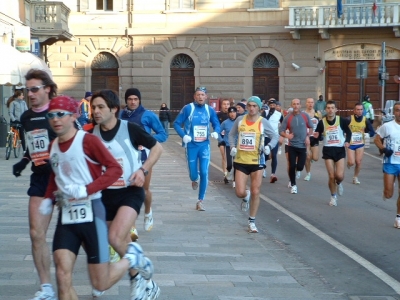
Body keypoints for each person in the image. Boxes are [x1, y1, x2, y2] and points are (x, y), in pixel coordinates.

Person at [37, 95, 154, 300]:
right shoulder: (53, 145)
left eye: (61, 114)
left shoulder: (88, 140)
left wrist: (87, 189)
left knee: (101, 282)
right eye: (51, 115)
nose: (55, 119)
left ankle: (132, 258)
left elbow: (115, 169)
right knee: (62, 276)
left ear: (73, 116)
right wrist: (48, 199)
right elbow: (56, 176)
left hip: (92, 212)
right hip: (67, 217)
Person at [91, 89, 162, 299]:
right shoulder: (90, 134)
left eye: (100, 107)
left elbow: (157, 148)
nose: (96, 111)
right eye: (93, 107)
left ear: (114, 109)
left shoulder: (130, 128)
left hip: (130, 191)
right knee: (116, 241)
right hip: (104, 196)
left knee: (115, 237)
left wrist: (143, 170)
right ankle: (142, 279)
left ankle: (137, 278)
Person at [12, 69, 58, 300]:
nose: (30, 94)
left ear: (47, 88)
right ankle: (46, 287)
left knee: (80, 233)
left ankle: (100, 271)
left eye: (34, 89)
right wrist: (23, 161)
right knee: (36, 234)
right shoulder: (26, 118)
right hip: (40, 179)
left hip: (65, 179)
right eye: (27, 90)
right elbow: (31, 147)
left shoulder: (59, 111)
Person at [229, 96, 278, 233]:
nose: (251, 108)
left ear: (259, 108)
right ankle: (246, 196)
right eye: (249, 105)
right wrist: (232, 146)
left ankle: (252, 221)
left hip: (257, 161)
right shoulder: (240, 120)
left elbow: (275, 136)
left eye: (254, 106)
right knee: (239, 192)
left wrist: (269, 147)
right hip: (241, 161)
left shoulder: (263, 122)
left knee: (256, 191)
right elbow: (231, 135)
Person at [120, 88, 167, 233]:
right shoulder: (120, 115)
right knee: (128, 191)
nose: (133, 102)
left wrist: (147, 141)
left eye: (135, 99)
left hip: (144, 157)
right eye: (130, 99)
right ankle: (132, 227)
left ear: (139, 100)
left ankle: (148, 213)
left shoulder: (148, 115)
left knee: (144, 190)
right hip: (126, 158)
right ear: (126, 100)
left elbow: (163, 134)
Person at [173, 86, 220, 211]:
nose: (200, 97)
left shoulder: (209, 110)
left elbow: (216, 123)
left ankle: (200, 201)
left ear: (206, 97)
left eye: (202, 95)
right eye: (198, 95)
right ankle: (195, 179)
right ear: (194, 96)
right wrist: (184, 136)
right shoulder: (188, 108)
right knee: (194, 174)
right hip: (191, 146)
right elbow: (176, 123)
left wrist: (216, 132)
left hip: (204, 145)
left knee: (204, 172)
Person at [315, 100, 351, 207]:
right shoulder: (322, 122)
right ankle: (333, 196)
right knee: (331, 176)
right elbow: (317, 135)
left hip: (339, 149)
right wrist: (315, 138)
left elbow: (349, 132)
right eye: (328, 108)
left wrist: (347, 141)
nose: (330, 110)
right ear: (326, 109)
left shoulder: (341, 120)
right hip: (328, 150)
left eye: (332, 108)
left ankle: (339, 183)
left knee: (339, 176)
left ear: (336, 109)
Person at [374, 102, 400, 228]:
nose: (399, 112)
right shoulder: (387, 126)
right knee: (389, 194)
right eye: (397, 110)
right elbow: (376, 139)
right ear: (394, 112)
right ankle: (389, 187)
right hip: (390, 162)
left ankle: (398, 218)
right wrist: (383, 149)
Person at [279, 99, 313, 194]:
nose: (296, 106)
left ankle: (298, 170)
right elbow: (281, 130)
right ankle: (293, 185)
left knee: (300, 166)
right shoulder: (288, 117)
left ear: (300, 105)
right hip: (292, 145)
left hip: (302, 145)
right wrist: (287, 136)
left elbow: (311, 127)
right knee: (292, 165)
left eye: (298, 104)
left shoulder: (305, 116)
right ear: (291, 105)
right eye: (294, 104)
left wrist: (307, 136)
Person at [347, 102, 375, 184]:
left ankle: (355, 177)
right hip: (351, 144)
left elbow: (372, 132)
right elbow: (342, 128)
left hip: (360, 143)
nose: (359, 111)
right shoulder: (349, 119)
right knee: (351, 162)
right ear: (354, 111)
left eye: (361, 110)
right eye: (358, 110)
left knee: (358, 162)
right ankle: (349, 163)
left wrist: (368, 134)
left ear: (363, 111)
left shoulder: (365, 120)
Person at [262, 99, 283, 182]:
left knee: (274, 155)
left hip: (275, 137)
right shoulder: (265, 112)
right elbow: (262, 121)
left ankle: (273, 174)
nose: (272, 107)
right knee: (265, 155)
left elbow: (283, 124)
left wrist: (281, 135)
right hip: (266, 136)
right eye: (271, 105)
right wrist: (269, 115)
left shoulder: (279, 114)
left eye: (274, 105)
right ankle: (263, 169)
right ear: (268, 106)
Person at [303, 97, 320, 181]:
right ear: (306, 104)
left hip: (314, 137)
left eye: (312, 102)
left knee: (315, 158)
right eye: (308, 102)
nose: (310, 104)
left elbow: (321, 125)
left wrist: (320, 134)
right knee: (308, 156)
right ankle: (308, 173)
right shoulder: (303, 114)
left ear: (314, 104)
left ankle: (311, 160)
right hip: (306, 137)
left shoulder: (317, 113)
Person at [219, 106, 237, 184]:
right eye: (230, 112)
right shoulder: (225, 123)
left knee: (236, 163)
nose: (232, 114)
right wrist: (221, 140)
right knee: (229, 164)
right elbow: (218, 132)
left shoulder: (239, 122)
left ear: (236, 113)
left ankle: (235, 180)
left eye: (234, 112)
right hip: (228, 145)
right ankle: (228, 175)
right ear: (228, 114)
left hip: (237, 146)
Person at [217, 99, 230, 180]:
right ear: (221, 106)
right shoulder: (218, 115)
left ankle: (230, 171)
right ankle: (225, 174)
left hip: (230, 139)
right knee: (224, 156)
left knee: (230, 157)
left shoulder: (232, 114)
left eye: (227, 104)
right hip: (221, 138)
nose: (226, 106)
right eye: (224, 104)